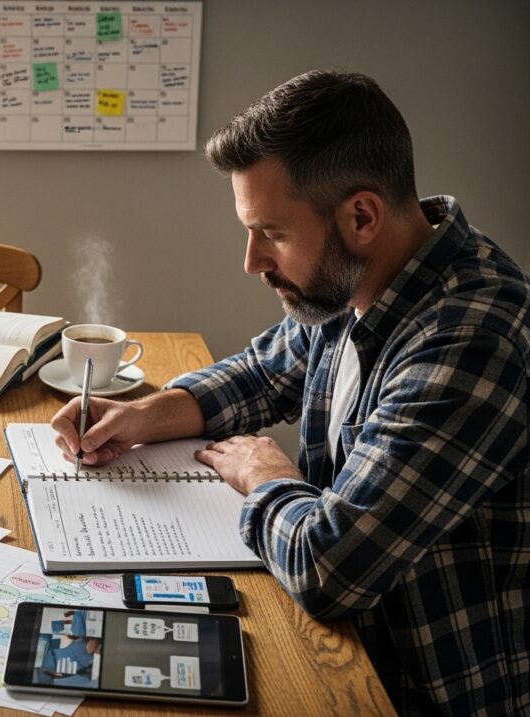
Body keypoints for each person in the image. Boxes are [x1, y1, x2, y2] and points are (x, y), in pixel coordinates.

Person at [51, 70, 528, 716]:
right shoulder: (365, 279)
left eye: (272, 233)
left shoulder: (472, 344)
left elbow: (328, 569)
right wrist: (143, 415)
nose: (252, 261)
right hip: (351, 649)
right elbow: (264, 371)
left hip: (417, 692)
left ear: (361, 215)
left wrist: (263, 471)